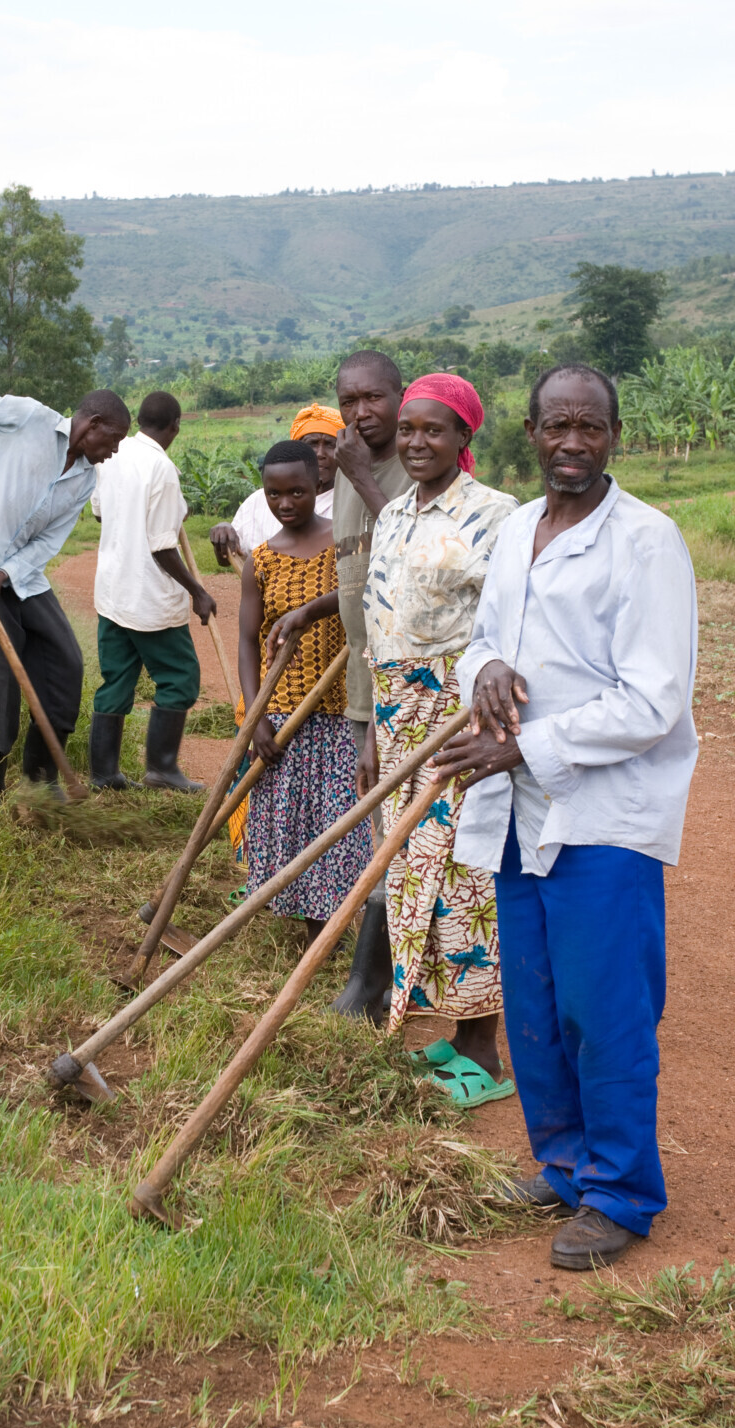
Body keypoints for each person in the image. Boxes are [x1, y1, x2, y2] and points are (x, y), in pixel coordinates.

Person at [432, 364, 698, 1270]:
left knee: (605, 1005)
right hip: (519, 812)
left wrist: (521, 747)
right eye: (557, 427)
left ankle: (621, 1193)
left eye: (590, 428)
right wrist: (486, 675)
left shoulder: (648, 542)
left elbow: (652, 701)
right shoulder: (516, 532)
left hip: (604, 813)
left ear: (615, 434)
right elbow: (480, 643)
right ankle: (565, 1163)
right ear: (532, 431)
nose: (573, 444)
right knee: (538, 1001)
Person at [355, 374, 518, 1108]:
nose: (418, 441)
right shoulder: (391, 515)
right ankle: (451, 1032)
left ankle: (486, 1054)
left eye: (434, 430)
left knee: (463, 879)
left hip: (458, 717)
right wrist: (370, 731)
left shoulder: (498, 517)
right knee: (413, 878)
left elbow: (511, 630)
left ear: (463, 439)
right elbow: (378, 625)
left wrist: (492, 723)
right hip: (396, 719)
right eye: (410, 430)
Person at [0, 385, 130, 803]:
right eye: (115, 440)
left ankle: (42, 781)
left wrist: (4, 574)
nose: (115, 451)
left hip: (21, 577)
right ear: (93, 424)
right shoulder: (29, 417)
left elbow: (47, 543)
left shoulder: (86, 479)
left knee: (65, 662)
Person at [238, 440, 372, 945]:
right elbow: (247, 643)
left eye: (296, 491)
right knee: (287, 820)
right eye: (274, 494)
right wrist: (256, 717)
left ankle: (329, 929)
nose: (286, 502)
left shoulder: (345, 544)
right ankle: (299, 922)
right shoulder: (262, 561)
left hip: (339, 710)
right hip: (283, 713)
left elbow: (362, 595)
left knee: (335, 824)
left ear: (318, 485)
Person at [327, 351, 408, 1018]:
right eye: (348, 400)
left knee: (399, 827)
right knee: (383, 823)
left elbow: (421, 551)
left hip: (415, 679)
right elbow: (356, 573)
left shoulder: (416, 464)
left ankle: (371, 985)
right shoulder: (347, 468)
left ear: (401, 396)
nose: (361, 412)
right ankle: (385, 978)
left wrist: (357, 473)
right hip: (365, 678)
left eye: (373, 398)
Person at [88, 391, 217, 793]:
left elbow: (99, 511)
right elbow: (162, 546)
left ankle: (103, 775)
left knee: (116, 681)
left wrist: (174, 509)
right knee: (180, 679)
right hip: (148, 598)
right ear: (175, 425)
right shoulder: (160, 467)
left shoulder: (113, 452)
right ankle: (161, 770)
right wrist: (197, 590)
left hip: (112, 593)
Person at [209, 403, 342, 565]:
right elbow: (227, 560)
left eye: (330, 445)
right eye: (312, 444)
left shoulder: (354, 503)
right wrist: (224, 531)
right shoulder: (257, 502)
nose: (320, 454)